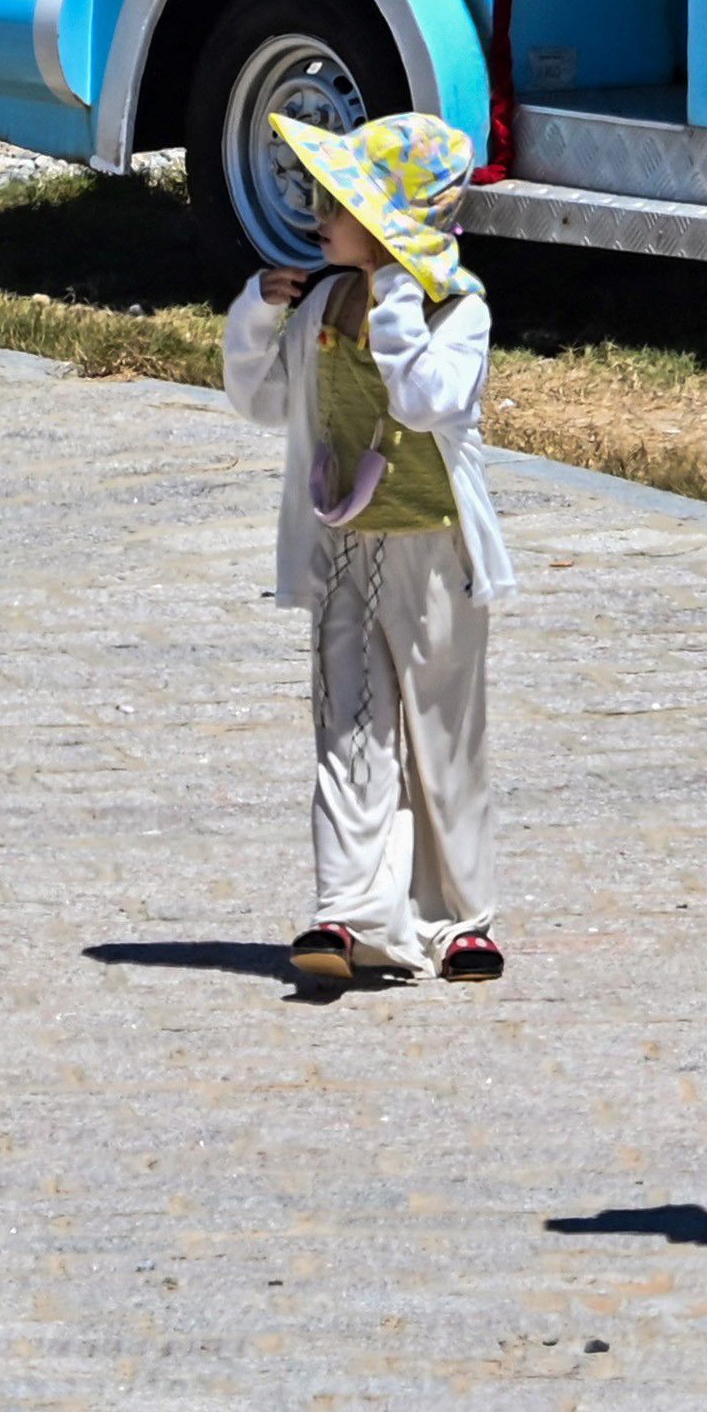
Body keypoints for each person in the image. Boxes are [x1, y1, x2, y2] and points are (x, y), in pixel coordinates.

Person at [219, 112, 514, 990]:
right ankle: (344, 912)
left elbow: (425, 402)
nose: (316, 216)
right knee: (349, 729)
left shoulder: (457, 310)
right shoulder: (319, 302)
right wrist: (255, 315)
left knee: (443, 740)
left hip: (435, 562)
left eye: (336, 201)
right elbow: (262, 401)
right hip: (345, 553)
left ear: (386, 221)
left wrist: (395, 297)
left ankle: (462, 918)